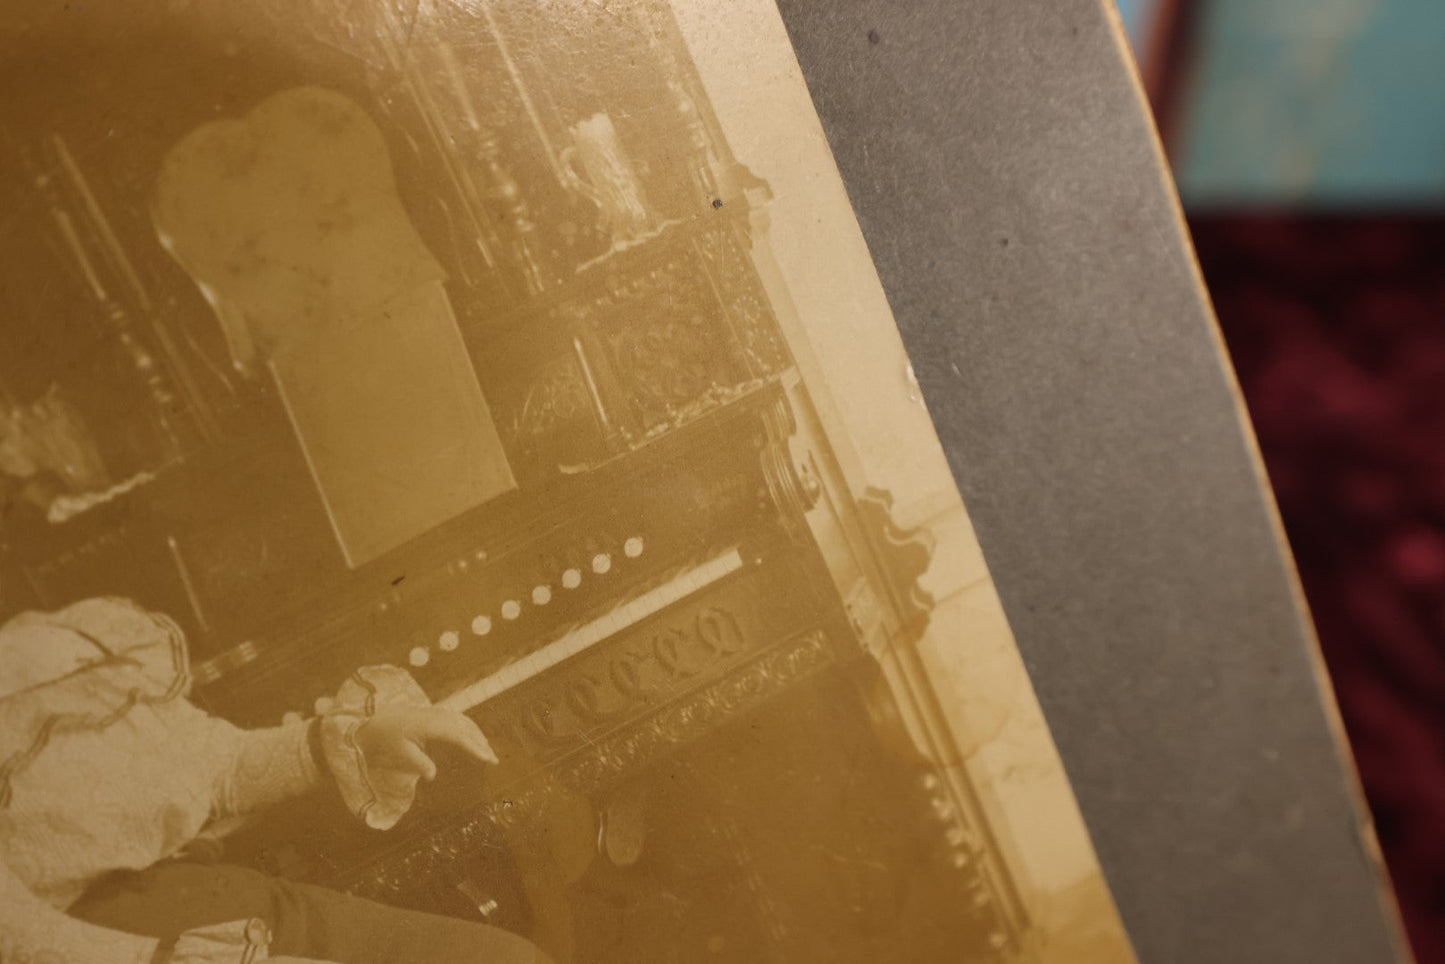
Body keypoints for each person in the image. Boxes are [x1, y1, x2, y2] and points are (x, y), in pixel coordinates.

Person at [0, 594, 554, 964]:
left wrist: (360, 739)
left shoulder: (33, 654)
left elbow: (219, 766)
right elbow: (32, 943)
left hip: (209, 903)